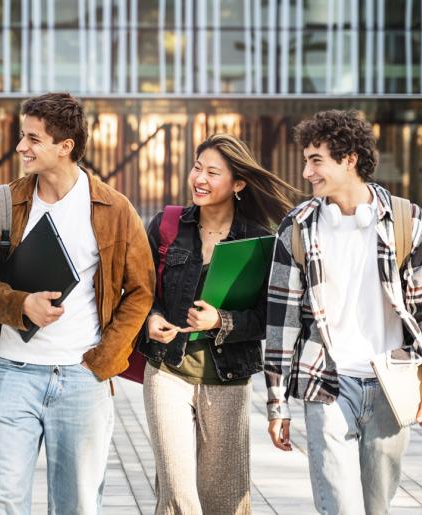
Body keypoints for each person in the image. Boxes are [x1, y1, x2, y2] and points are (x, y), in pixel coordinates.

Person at [265, 110, 422, 514]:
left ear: (349, 158)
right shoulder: (297, 228)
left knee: (377, 506)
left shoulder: (408, 222)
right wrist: (277, 403)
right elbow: (280, 323)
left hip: (392, 384)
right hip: (326, 382)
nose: (306, 172)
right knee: (339, 506)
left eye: (316, 160)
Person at [0, 92, 154, 514]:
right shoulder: (0, 203)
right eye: (22, 136)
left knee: (77, 505)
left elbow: (141, 289)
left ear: (65, 146)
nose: (21, 147)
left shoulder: (115, 209)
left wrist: (106, 359)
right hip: (13, 375)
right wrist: (21, 305)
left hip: (81, 379)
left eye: (33, 139)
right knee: (3, 502)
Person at [137, 134, 297, 514]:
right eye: (197, 167)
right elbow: (141, 291)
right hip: (167, 370)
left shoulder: (260, 241)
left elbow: (267, 318)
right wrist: (151, 318)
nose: (200, 179)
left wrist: (219, 320)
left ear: (238, 183)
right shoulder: (167, 225)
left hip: (227, 380)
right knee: (178, 495)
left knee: (225, 499)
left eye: (212, 172)